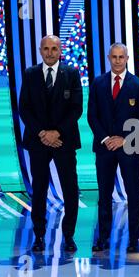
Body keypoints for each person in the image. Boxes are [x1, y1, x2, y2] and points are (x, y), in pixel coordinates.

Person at [19, 35, 83, 253]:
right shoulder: (30, 74)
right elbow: (24, 108)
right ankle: (39, 236)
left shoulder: (72, 74)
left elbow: (76, 108)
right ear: (40, 50)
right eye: (46, 48)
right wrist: (42, 133)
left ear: (60, 50)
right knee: (39, 189)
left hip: (64, 141)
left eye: (54, 48)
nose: (50, 52)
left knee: (70, 189)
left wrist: (56, 133)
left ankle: (69, 235)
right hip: (38, 142)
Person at [88, 43, 139, 253]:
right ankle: (102, 239)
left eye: (121, 57)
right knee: (104, 195)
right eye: (114, 57)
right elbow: (92, 116)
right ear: (108, 58)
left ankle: (133, 240)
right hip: (104, 148)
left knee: (133, 193)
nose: (117, 60)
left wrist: (123, 139)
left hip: (129, 147)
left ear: (127, 58)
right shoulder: (98, 83)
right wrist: (106, 138)